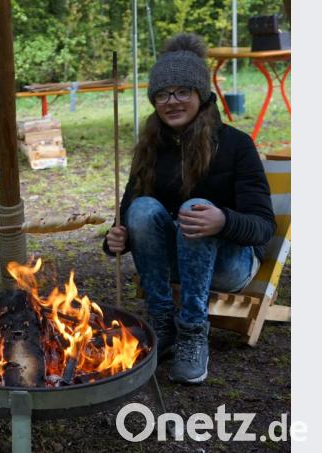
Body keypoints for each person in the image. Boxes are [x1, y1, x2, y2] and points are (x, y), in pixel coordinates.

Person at [103, 34, 275, 385]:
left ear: (202, 95)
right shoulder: (150, 148)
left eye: (183, 91)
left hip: (232, 264)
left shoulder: (236, 145)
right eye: (163, 94)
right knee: (142, 207)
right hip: (174, 263)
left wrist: (223, 220)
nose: (172, 101)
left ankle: (194, 331)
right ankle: (163, 323)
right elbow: (129, 217)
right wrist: (116, 239)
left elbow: (263, 226)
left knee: (196, 210)